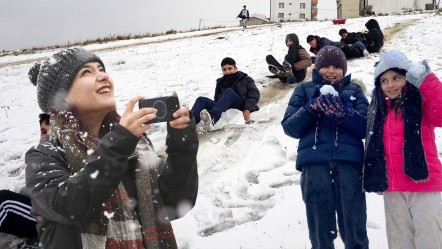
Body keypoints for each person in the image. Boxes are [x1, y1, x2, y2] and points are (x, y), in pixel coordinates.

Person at [25, 47, 199, 249]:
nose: (103, 76)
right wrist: (120, 142)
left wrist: (183, 141)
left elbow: (176, 201)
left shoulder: (135, 146)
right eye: (86, 72)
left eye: (101, 69)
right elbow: (69, 206)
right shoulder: (43, 156)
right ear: (62, 97)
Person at [281, 46, 369, 248]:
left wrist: (344, 113)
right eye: (326, 66)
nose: (331, 70)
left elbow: (366, 127)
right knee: (320, 228)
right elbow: (289, 127)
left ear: (344, 70)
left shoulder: (354, 91)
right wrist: (311, 109)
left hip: (349, 166)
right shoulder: (304, 90)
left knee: (354, 224)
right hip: (314, 166)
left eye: (337, 66)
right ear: (317, 67)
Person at [363, 49, 442, 249]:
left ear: (408, 77)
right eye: (384, 80)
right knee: (399, 242)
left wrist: (427, 81)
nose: (391, 85)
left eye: (397, 77)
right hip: (393, 187)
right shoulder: (378, 111)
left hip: (424, 183)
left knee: (430, 240)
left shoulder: (420, 102)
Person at [0, 113, 51, 248]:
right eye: (43, 131)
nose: (46, 137)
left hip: (50, 219)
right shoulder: (46, 154)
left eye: (52, 132)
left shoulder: (72, 155)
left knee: (4, 203)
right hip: (40, 209)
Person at [191, 57, 260, 131]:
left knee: (228, 92)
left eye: (230, 68)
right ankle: (188, 123)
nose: (227, 71)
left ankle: (213, 119)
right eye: (224, 69)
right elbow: (217, 99)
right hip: (225, 108)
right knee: (201, 100)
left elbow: (254, 93)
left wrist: (247, 108)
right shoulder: (220, 82)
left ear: (235, 69)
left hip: (241, 106)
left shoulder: (246, 79)